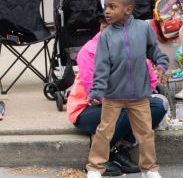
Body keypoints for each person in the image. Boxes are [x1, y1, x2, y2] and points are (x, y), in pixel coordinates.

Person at [85, 0, 169, 178]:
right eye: (106, 6)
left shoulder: (143, 28)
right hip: (113, 96)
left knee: (146, 133)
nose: (106, 11)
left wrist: (162, 63)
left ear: (128, 9)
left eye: (112, 7)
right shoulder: (106, 35)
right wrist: (96, 91)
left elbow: (153, 50)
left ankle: (149, 169)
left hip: (140, 94)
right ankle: (95, 167)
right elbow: (101, 66)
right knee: (104, 131)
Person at [67, 27, 166, 176]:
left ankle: (121, 149)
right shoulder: (89, 51)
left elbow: (150, 81)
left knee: (157, 106)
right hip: (86, 109)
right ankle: (101, 158)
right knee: (124, 108)